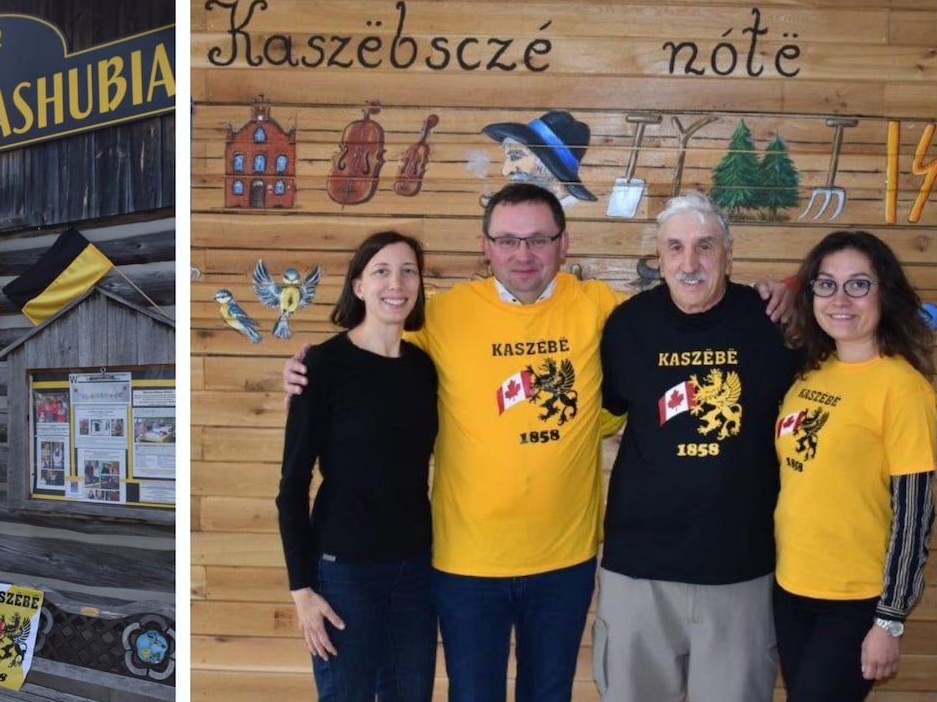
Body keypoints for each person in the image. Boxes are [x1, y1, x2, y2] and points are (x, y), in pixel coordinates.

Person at [283, 183, 793, 702]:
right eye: (506, 240)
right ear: (485, 247)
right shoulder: (441, 314)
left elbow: (688, 311)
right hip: (467, 564)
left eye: (538, 240)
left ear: (563, 244)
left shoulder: (603, 309)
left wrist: (787, 288)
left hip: (564, 562)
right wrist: (308, 371)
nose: (522, 254)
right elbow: (368, 347)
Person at [594, 191, 798, 702]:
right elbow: (609, 410)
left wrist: (795, 287)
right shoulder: (626, 326)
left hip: (741, 570)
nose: (690, 263)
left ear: (728, 254)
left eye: (705, 246)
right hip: (638, 569)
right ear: (658, 258)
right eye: (675, 247)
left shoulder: (773, 324)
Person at [772, 231, 937, 702]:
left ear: (885, 292)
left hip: (856, 600)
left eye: (858, 284)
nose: (840, 299)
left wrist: (890, 619)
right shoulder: (810, 372)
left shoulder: (902, 388)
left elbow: (915, 512)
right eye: (826, 284)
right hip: (791, 588)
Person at [276, 231, 438, 701]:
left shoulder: (423, 369)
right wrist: (301, 590)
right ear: (359, 286)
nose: (397, 283)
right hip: (344, 573)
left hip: (415, 569)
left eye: (408, 271)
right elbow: (292, 486)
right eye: (381, 271)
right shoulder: (322, 366)